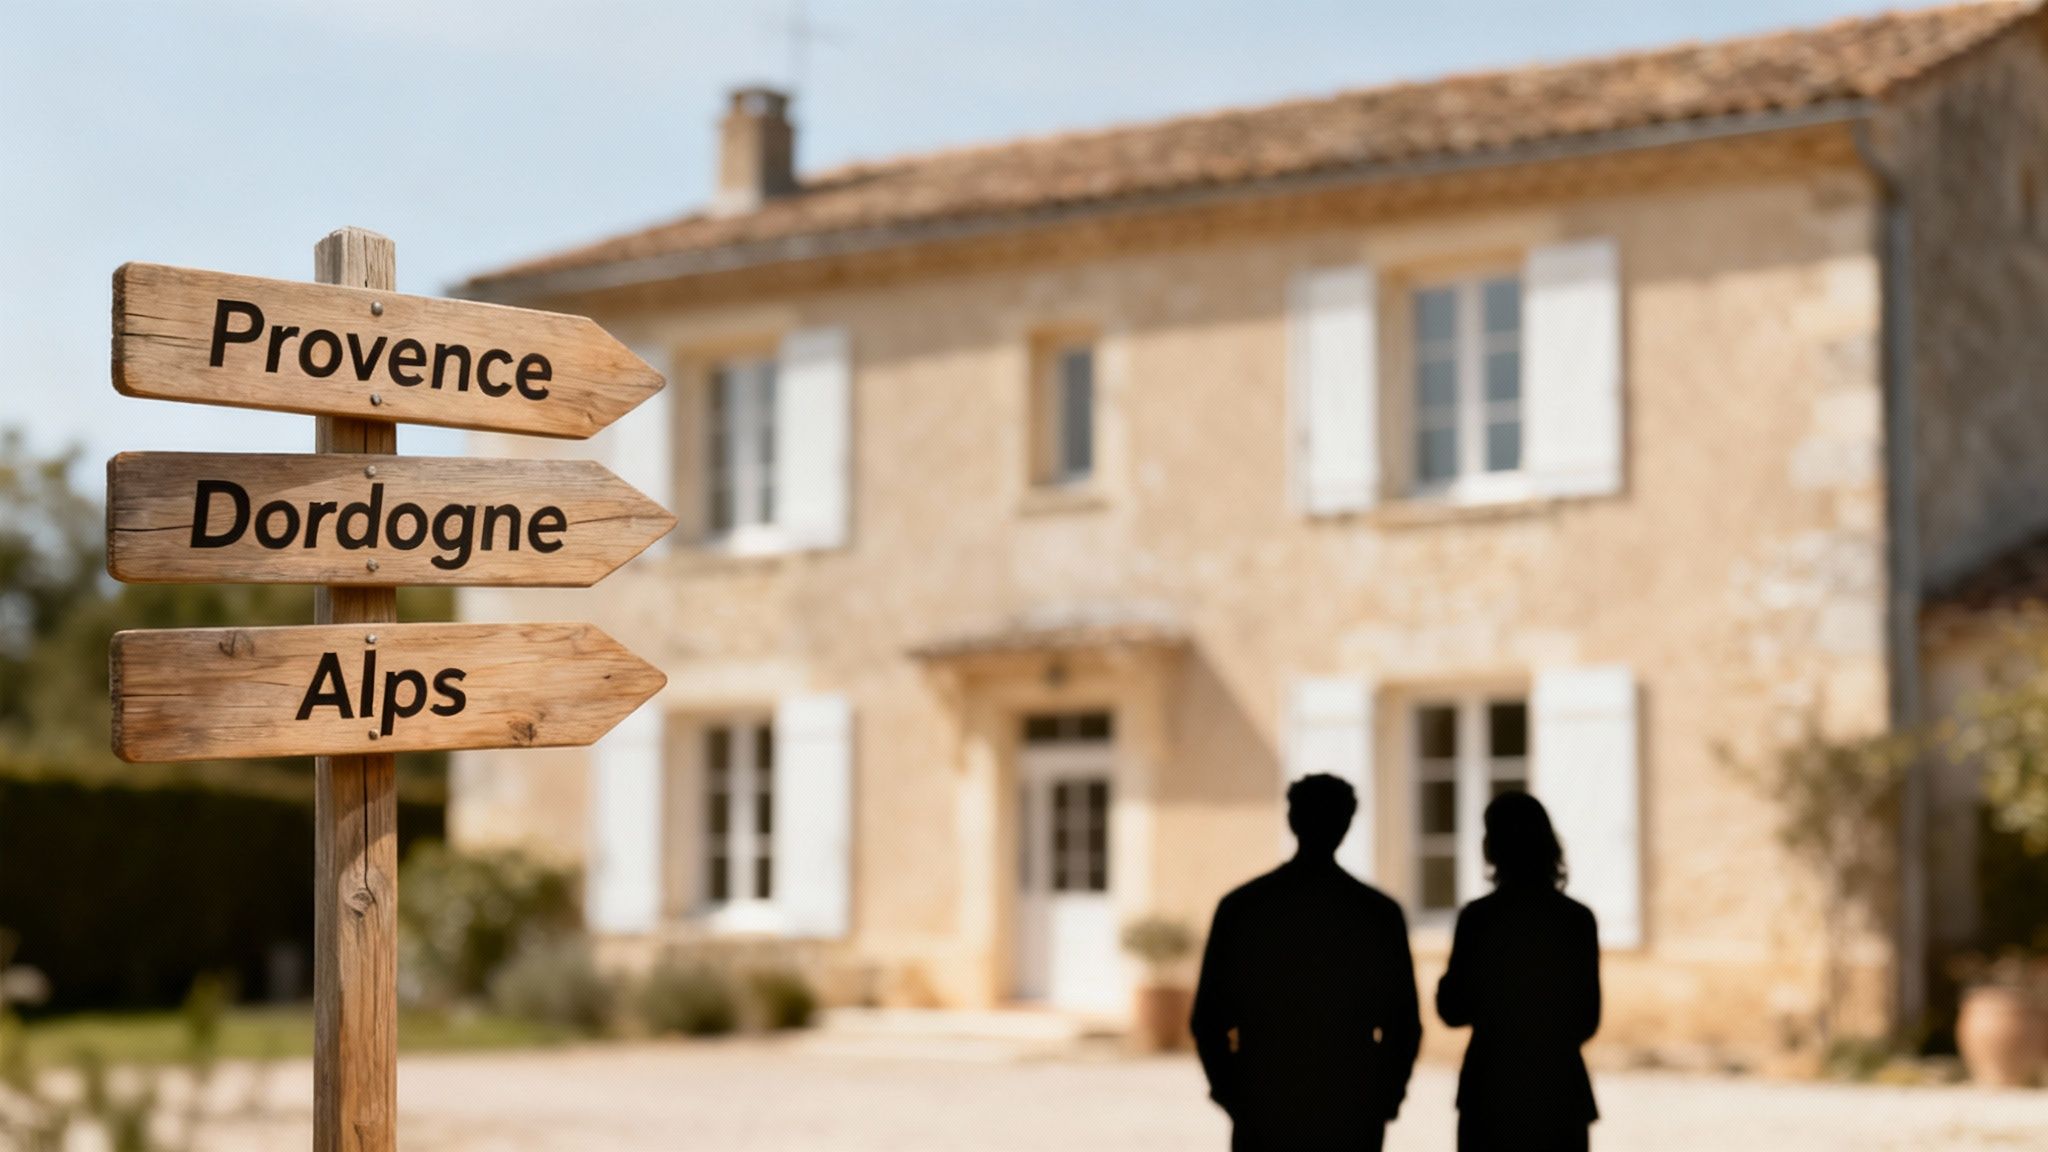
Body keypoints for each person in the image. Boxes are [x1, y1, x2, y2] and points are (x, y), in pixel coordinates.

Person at [1190, 773, 1422, 1152]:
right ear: (1347, 824)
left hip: (1265, 1099)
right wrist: (1384, 1099)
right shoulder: (1376, 914)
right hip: (1350, 1104)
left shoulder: (1244, 908)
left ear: (1292, 821)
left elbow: (1208, 1019)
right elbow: (1403, 1025)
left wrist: (1232, 1094)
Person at [1435, 791, 1602, 1152]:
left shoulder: (1479, 920)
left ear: (1493, 847)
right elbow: (1587, 1019)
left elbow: (1451, 1010)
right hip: (1558, 1087)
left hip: (1490, 1086)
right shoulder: (1575, 920)